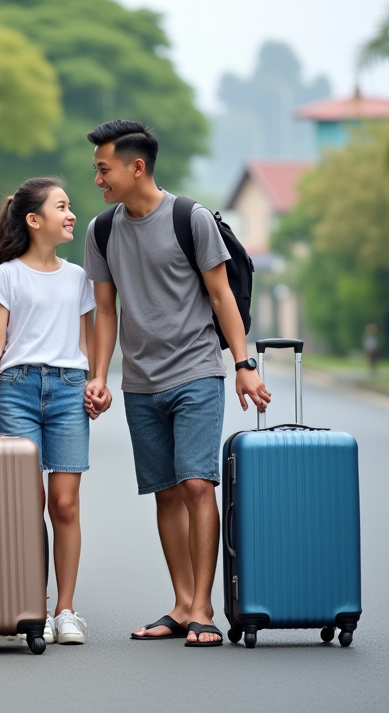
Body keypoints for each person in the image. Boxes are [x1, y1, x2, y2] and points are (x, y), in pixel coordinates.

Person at [82, 120, 271, 647]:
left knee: (195, 484)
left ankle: (205, 608)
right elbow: (104, 310)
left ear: (135, 167)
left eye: (104, 168)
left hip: (195, 371)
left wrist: (243, 363)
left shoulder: (190, 218)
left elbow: (220, 295)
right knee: (165, 493)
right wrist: (98, 376)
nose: (98, 179)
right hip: (140, 382)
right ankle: (181, 604)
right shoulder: (102, 231)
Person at [0, 177, 98, 646]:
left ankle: (66, 609)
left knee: (65, 504)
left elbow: (84, 342)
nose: (70, 214)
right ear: (34, 219)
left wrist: (92, 383)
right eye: (62, 207)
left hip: (68, 391)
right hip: (15, 389)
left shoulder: (78, 277)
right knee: (28, 507)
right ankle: (34, 608)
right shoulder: (8, 274)